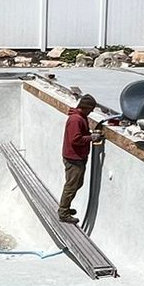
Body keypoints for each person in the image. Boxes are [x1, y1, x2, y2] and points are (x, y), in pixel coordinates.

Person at [58, 93, 102, 223]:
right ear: (85, 107)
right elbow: (75, 140)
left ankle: (65, 206)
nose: (91, 112)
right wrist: (91, 138)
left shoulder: (80, 117)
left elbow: (80, 135)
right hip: (74, 158)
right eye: (91, 109)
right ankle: (63, 212)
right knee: (71, 186)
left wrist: (89, 134)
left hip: (77, 157)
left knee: (77, 183)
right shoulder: (76, 120)